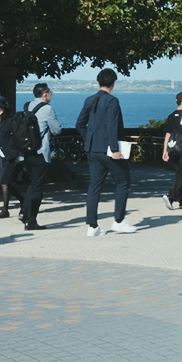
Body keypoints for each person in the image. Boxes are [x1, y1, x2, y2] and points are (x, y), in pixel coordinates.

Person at [76, 68, 138, 236]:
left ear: (99, 82)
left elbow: (80, 124)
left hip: (92, 149)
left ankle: (92, 226)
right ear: (113, 83)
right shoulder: (112, 101)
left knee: (94, 186)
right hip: (108, 150)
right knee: (123, 181)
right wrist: (115, 149)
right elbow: (112, 126)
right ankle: (118, 221)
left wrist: (89, 139)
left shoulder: (90, 99)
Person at [21, 83, 62, 231]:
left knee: (33, 183)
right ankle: (31, 220)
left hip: (25, 152)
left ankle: (24, 212)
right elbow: (57, 130)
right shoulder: (47, 109)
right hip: (40, 152)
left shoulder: (27, 106)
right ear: (44, 94)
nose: (51, 95)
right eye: (50, 92)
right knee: (38, 187)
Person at [0, 97, 24, 219]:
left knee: (4, 182)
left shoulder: (9, 121)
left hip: (11, 156)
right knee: (6, 182)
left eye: (0, 107)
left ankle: (5, 209)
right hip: (2, 155)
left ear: (5, 108)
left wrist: (17, 153)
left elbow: (17, 137)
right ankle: (22, 200)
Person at [161, 92, 182, 211]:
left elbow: (168, 134)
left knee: (179, 174)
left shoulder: (171, 116)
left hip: (174, 149)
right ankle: (171, 196)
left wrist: (165, 150)